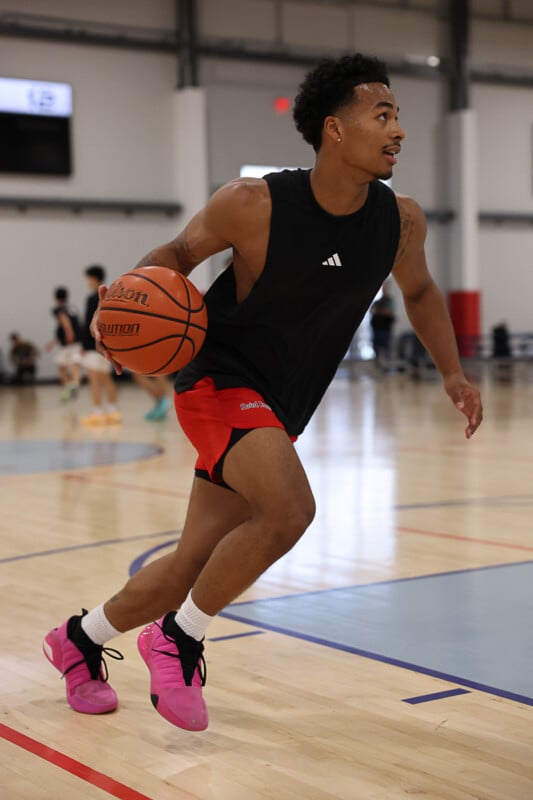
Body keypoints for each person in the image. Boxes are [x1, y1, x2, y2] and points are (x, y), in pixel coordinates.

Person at [43, 54, 482, 731]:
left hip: (283, 401)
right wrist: (123, 304)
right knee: (288, 511)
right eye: (382, 115)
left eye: (398, 116)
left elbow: (419, 292)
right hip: (219, 379)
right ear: (334, 130)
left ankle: (78, 640)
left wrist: (451, 372)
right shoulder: (252, 205)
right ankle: (179, 638)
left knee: (191, 561)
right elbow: (176, 256)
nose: (398, 130)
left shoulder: (400, 222)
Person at [80, 265, 121, 425]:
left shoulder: (92, 298)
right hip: (106, 344)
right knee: (106, 379)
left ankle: (97, 413)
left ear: (93, 278)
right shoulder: (109, 296)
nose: (87, 282)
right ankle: (113, 411)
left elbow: (89, 324)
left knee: (94, 380)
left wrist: (84, 345)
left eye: (88, 278)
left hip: (93, 346)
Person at [45, 287, 82, 402]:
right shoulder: (73, 308)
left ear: (55, 297)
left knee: (62, 367)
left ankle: (68, 388)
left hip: (68, 342)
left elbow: (64, 319)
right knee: (75, 365)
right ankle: (74, 385)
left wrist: (69, 332)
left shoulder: (58, 309)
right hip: (78, 341)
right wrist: (53, 342)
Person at [370, 281, 395, 368]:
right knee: (376, 348)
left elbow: (389, 312)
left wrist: (379, 311)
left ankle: (386, 366)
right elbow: (372, 310)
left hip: (385, 328)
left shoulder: (389, 300)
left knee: (385, 348)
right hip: (376, 328)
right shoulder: (377, 301)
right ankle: (378, 366)